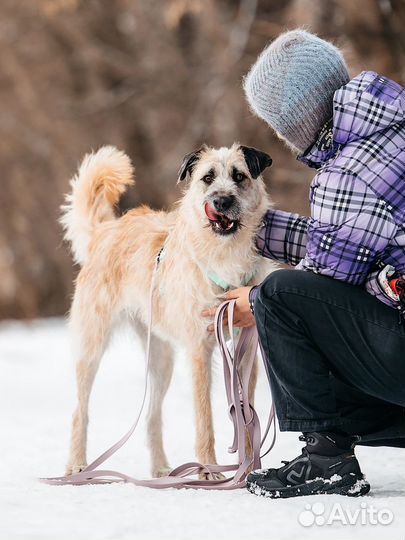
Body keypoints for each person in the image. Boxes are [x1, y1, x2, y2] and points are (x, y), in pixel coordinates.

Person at [202, 29, 405, 498]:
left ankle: (325, 458)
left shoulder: (346, 174)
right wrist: (254, 224)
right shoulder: (385, 135)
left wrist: (255, 300)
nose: (279, 137)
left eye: (276, 124)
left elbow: (317, 288)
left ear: (299, 118)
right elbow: (350, 243)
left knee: (279, 297)